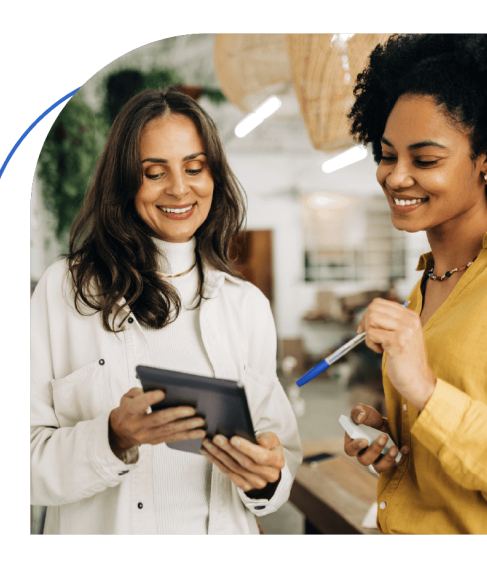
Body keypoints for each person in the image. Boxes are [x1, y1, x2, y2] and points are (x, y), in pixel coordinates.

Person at [30, 87, 302, 535]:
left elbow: (281, 453)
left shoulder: (245, 305)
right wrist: (114, 438)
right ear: (124, 183)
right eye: (155, 172)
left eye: (195, 168)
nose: (180, 188)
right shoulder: (66, 291)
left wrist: (266, 479)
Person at [343, 34, 487, 535]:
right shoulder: (428, 282)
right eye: (387, 155)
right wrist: (395, 437)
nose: (395, 177)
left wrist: (429, 396)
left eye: (425, 160)